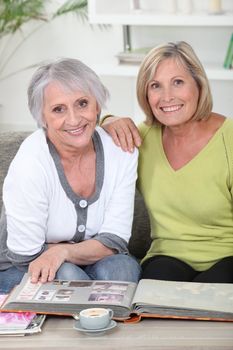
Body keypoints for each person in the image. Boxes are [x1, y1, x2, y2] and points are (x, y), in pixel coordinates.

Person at [0, 58, 141, 294]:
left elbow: (115, 240)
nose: (74, 119)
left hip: (85, 261)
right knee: (68, 277)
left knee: (122, 270)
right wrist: (79, 251)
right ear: (42, 118)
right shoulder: (31, 162)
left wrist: (63, 250)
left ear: (98, 105)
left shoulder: (121, 150)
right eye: (58, 109)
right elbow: (26, 255)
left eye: (82, 103)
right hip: (16, 268)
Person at [101, 41, 233, 283]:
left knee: (211, 297)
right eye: (155, 86)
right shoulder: (139, 139)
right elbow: (87, 146)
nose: (167, 97)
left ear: (199, 85)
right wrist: (108, 122)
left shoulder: (229, 137)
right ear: (145, 93)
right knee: (155, 293)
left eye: (178, 82)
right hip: (167, 257)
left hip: (228, 257)